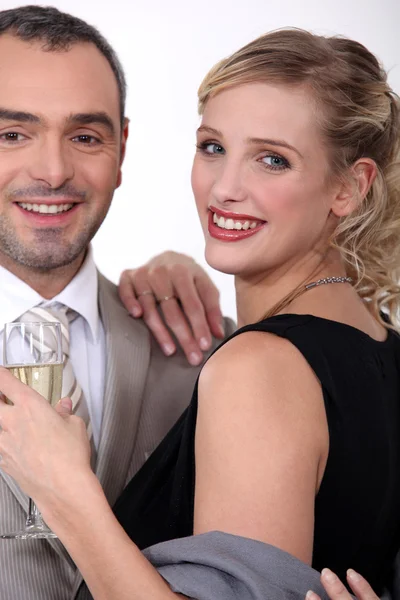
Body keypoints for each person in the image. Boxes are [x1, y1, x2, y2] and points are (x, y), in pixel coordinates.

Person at [1, 25, 399, 600]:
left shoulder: (237, 363)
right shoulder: (365, 346)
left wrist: (65, 491)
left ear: (350, 187)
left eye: (272, 160)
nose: (225, 188)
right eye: (213, 147)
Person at [0, 6, 235, 599]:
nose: (53, 171)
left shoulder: (213, 354)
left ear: (122, 148)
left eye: (84, 136)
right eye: (11, 134)